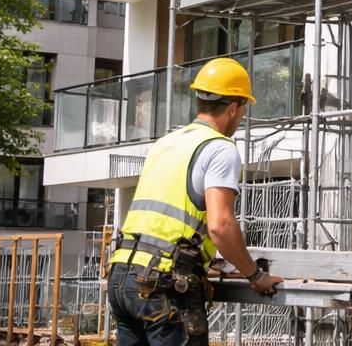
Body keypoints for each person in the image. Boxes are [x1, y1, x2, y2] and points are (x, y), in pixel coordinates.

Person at [108, 59, 284, 346]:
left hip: (122, 277)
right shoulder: (219, 148)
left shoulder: (165, 143)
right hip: (164, 285)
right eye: (243, 110)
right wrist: (255, 276)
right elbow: (221, 225)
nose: (240, 119)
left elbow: (165, 221)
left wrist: (201, 258)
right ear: (233, 107)